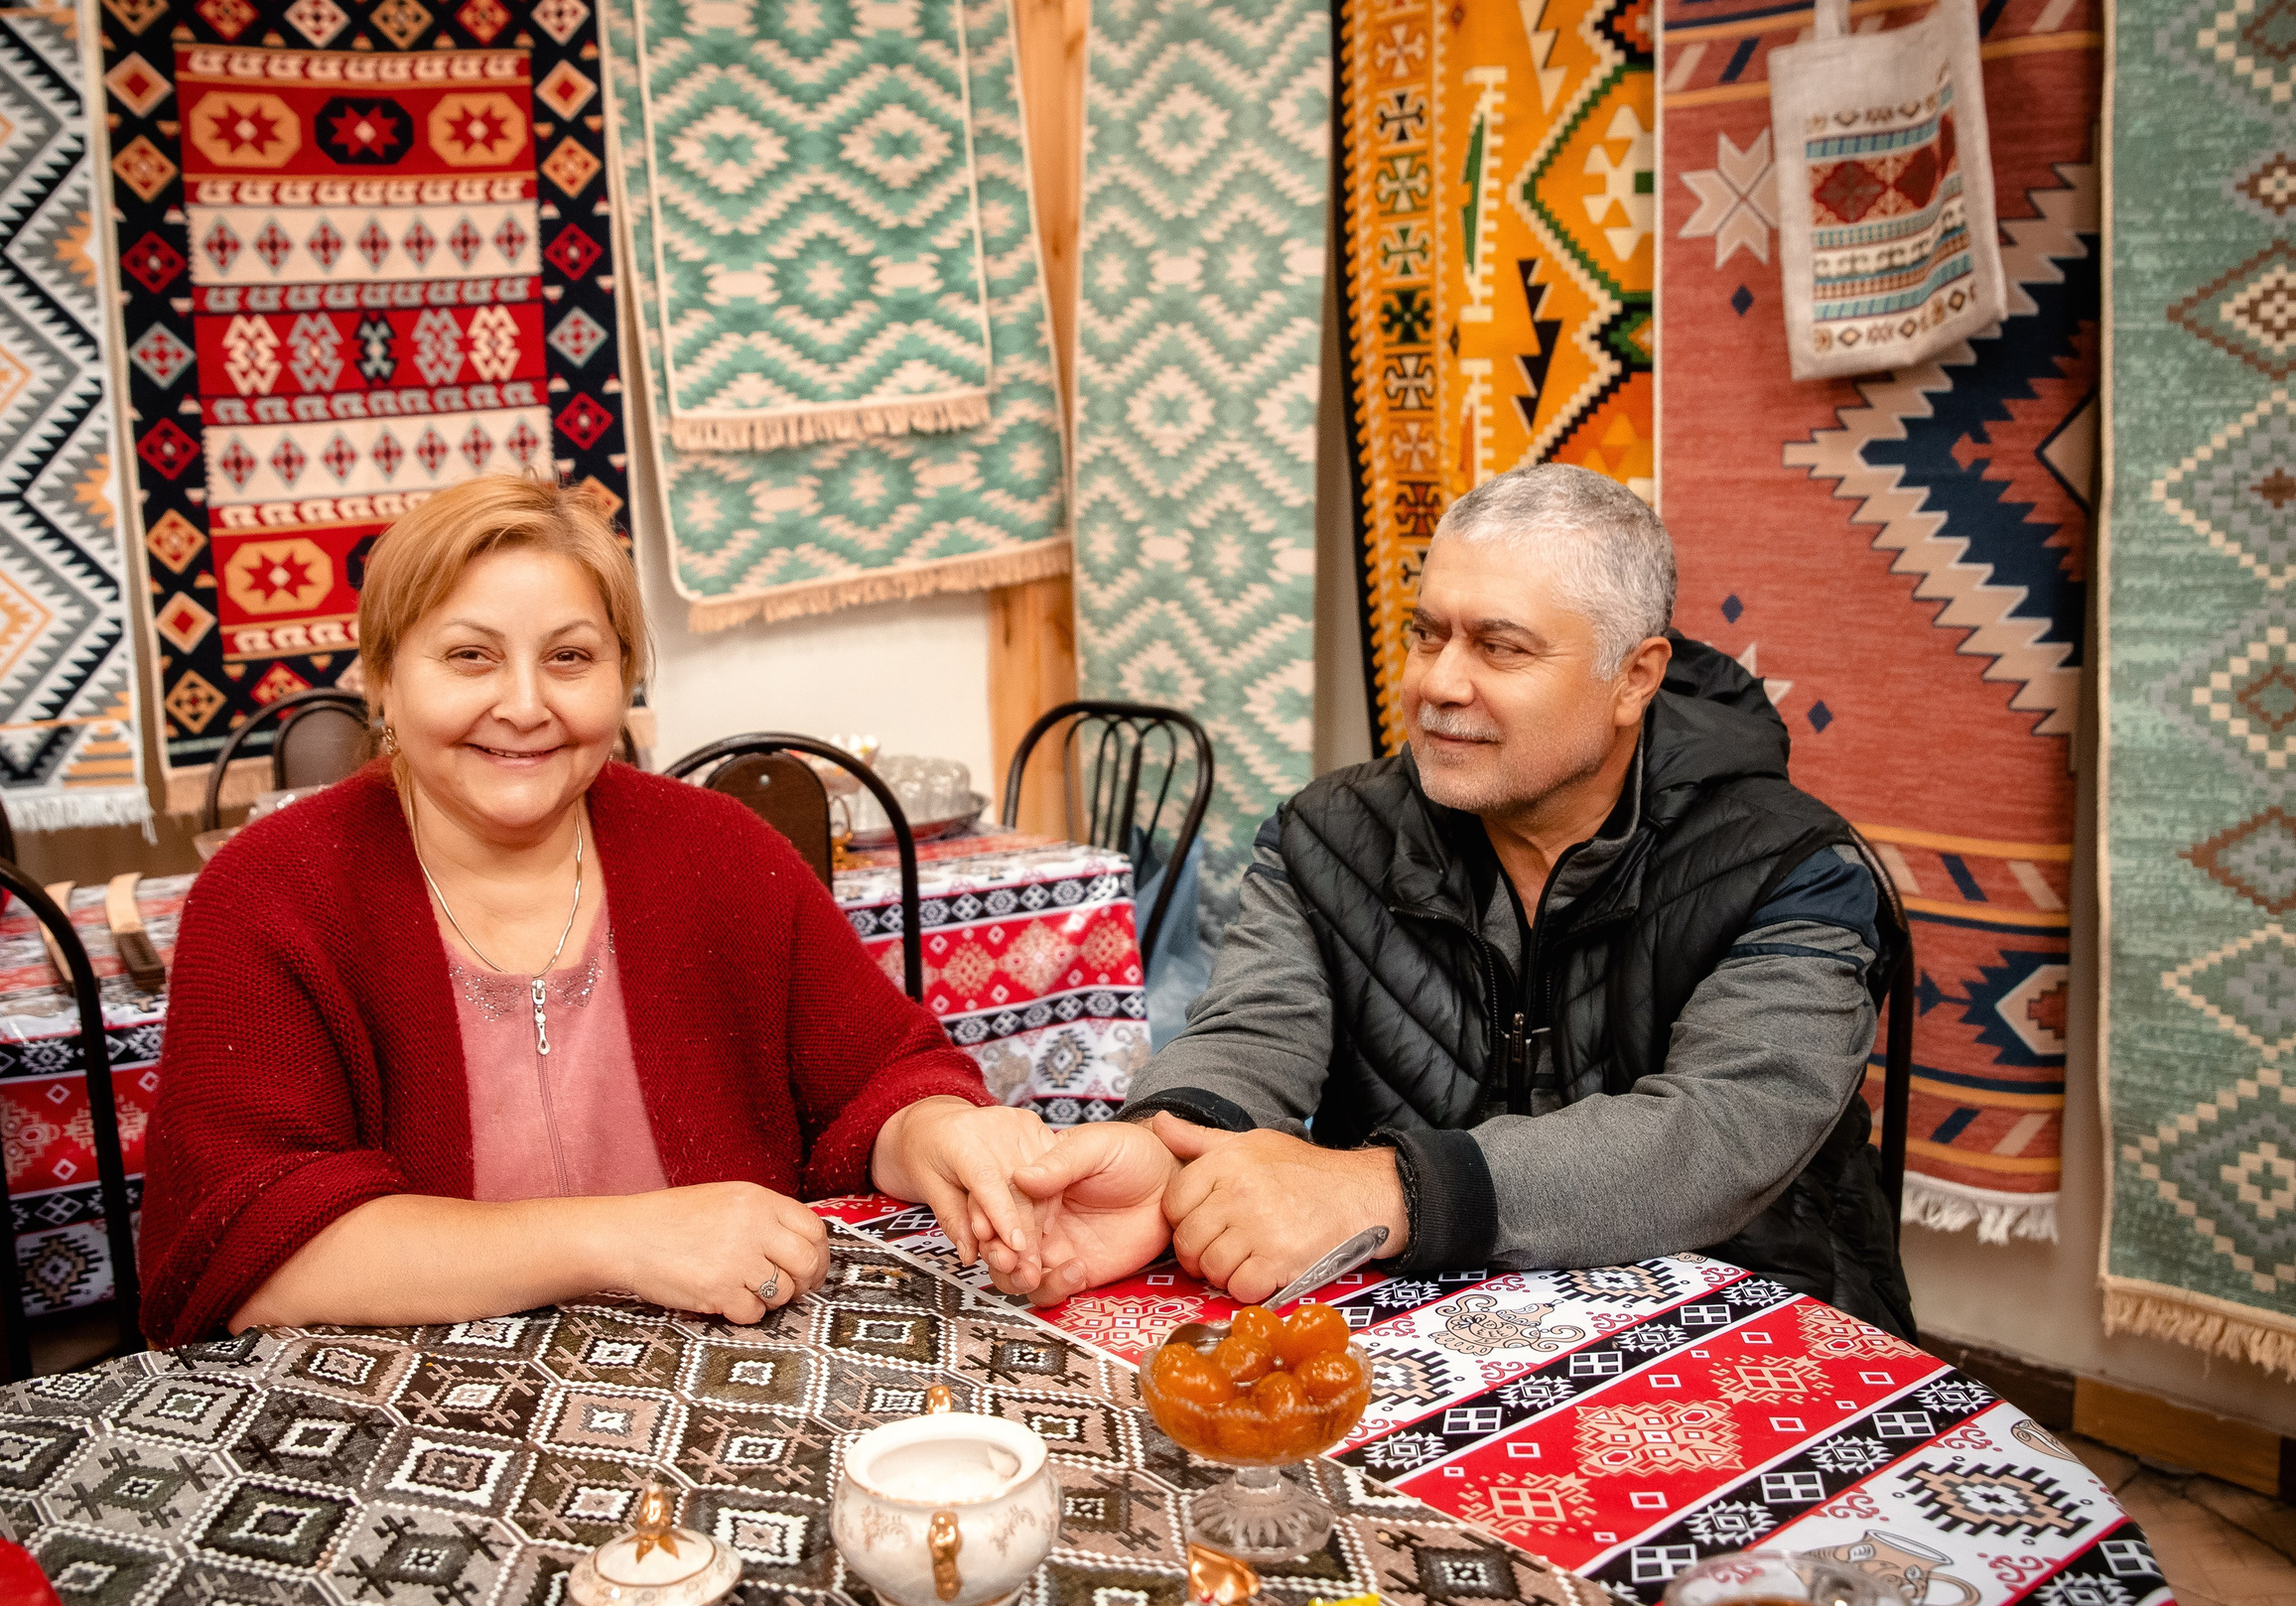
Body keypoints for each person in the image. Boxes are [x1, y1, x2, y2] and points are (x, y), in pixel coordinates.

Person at [982, 465, 1913, 1336]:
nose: (1437, 682)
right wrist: (1171, 1145)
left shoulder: (1791, 866)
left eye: (1500, 647)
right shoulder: (1329, 837)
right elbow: (1252, 1032)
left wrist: (1390, 1190)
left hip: (1752, 1331)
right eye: (1428, 634)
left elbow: (1714, 1137)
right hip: (1423, 1330)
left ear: (1634, 676)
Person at [138, 475, 1059, 1343]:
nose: (526, 705)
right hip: (404, 1423)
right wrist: (617, 1241)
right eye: (470, 656)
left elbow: (879, 1078)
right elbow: (250, 1248)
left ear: (623, 679)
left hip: (725, 1394)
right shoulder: (272, 893)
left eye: (571, 657)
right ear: (383, 677)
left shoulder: (720, 850)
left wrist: (937, 1129)